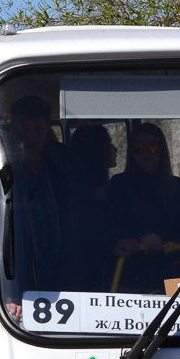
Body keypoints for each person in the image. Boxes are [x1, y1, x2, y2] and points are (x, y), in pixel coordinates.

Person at [106, 123, 180, 293]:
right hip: (128, 275)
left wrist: (163, 242)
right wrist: (134, 239)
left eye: (154, 146)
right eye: (140, 147)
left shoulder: (178, 187)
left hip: (168, 275)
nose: (147, 151)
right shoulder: (119, 184)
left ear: (163, 150)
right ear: (132, 152)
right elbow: (110, 225)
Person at [3, 95, 70, 319]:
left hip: (59, 274)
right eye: (25, 129)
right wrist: (13, 293)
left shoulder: (58, 171)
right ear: (14, 131)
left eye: (39, 129)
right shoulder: (2, 171)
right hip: (17, 282)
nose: (31, 137)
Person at [62, 124, 117, 291]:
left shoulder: (78, 187)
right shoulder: (90, 194)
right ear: (96, 150)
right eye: (108, 144)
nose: (115, 149)